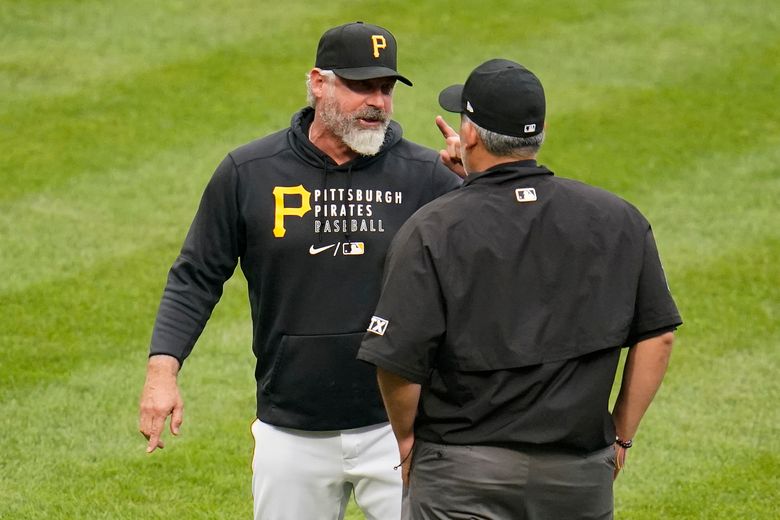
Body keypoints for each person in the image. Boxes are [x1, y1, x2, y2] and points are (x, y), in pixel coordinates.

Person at [138, 21, 462, 520]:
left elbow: (495, 270)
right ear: (317, 83)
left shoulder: (429, 177)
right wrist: (163, 373)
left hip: (399, 430)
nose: (377, 101)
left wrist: (480, 187)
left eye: (386, 87)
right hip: (291, 430)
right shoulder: (250, 172)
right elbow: (196, 275)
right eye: (360, 86)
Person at [358, 58, 682, 519]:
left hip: (461, 478)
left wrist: (408, 441)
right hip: (576, 478)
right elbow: (659, 334)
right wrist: (621, 435)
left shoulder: (434, 229)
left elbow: (397, 361)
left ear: (469, 134)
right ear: (540, 131)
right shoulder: (617, 219)